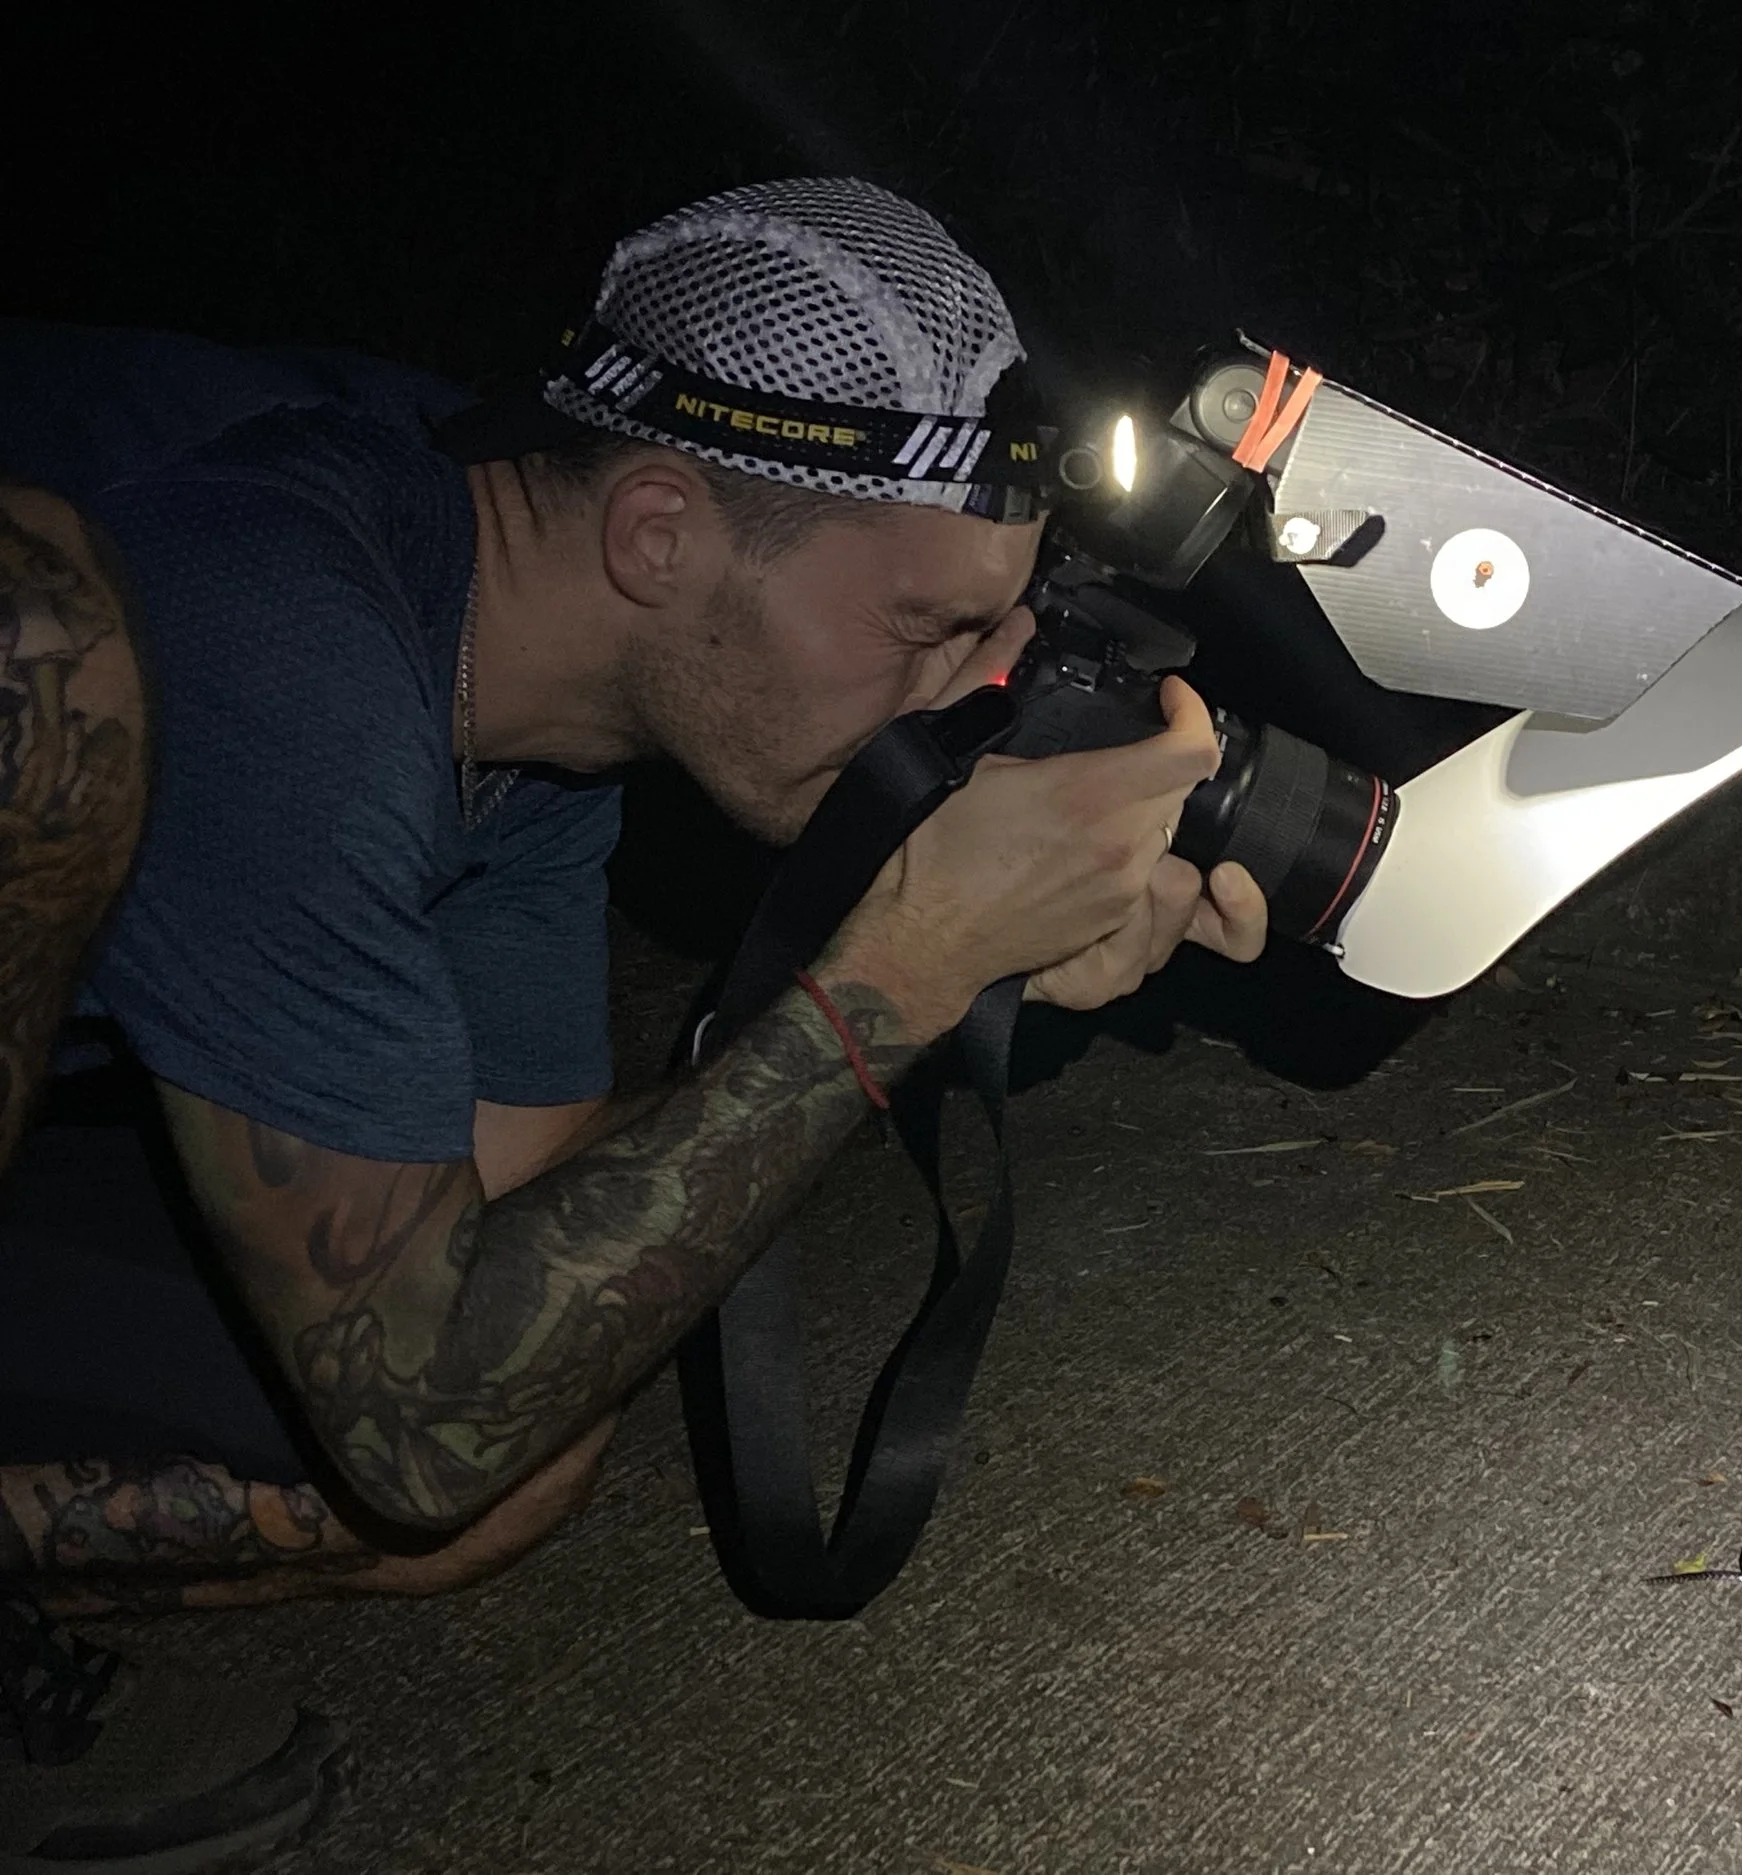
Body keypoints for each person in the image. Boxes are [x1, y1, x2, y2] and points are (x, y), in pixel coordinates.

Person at [0, 177, 1267, 1870]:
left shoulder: (530, 720)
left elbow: (497, 1315)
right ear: (658, 533)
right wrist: (897, 967)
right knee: (42, 641)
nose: (962, 696)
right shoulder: (284, 623)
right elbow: (422, 1399)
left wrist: (942, 984)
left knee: (517, 1444)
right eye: (926, 627)